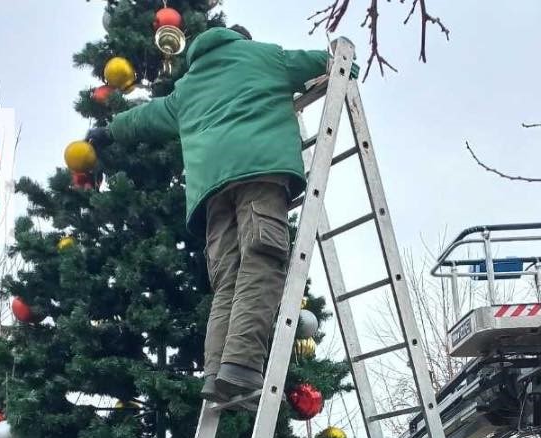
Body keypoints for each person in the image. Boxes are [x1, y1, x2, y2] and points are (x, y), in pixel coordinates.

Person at [87, 26, 356, 406]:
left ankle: (217, 372)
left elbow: (147, 117)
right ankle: (242, 367)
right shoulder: (266, 56)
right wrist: (345, 68)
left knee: (227, 276)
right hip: (259, 171)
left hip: (210, 192)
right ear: (242, 41)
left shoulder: (188, 86)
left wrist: (109, 131)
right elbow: (331, 65)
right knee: (262, 259)